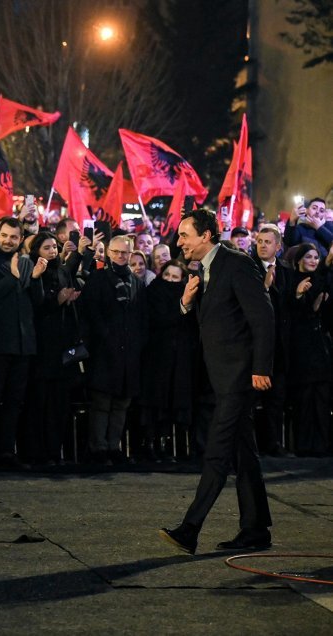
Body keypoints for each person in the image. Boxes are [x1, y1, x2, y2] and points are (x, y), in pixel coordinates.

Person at [160, 209, 275, 555]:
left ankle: (190, 528)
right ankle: (255, 529)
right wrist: (186, 302)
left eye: (184, 235)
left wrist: (261, 367)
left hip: (240, 377)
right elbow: (213, 322)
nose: (179, 242)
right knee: (243, 451)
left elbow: (263, 317)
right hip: (221, 376)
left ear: (206, 235)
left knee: (217, 452)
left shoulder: (236, 264)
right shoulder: (203, 271)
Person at [0, 216, 45, 470]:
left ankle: (6, 452)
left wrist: (34, 279)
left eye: (14, 237)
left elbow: (37, 304)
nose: (8, 241)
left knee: (15, 402)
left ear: (21, 239)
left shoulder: (28, 263)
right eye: (5, 235)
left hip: (23, 345)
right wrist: (13, 277)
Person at [81, 235, 148, 465]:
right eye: (117, 252)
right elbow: (90, 314)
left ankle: (113, 446)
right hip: (103, 352)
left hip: (128, 354)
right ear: (109, 253)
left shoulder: (137, 282)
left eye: (125, 253)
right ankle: (98, 448)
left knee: (121, 404)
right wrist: (105, 338)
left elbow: (141, 317)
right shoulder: (98, 280)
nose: (121, 256)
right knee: (102, 403)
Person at [25, 232, 82, 466]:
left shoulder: (62, 270)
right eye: (46, 247)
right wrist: (55, 301)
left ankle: (55, 451)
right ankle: (38, 452)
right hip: (41, 348)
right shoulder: (35, 272)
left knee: (60, 403)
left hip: (62, 346)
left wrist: (68, 299)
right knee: (41, 403)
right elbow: (35, 305)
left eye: (54, 247)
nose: (52, 251)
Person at [139, 260, 197, 461]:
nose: (170, 281)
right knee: (156, 403)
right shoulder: (152, 293)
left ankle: (170, 448)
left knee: (174, 402)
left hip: (179, 359)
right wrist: (181, 308)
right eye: (167, 276)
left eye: (175, 277)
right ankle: (150, 446)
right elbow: (158, 319)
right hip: (155, 359)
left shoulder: (190, 297)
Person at [251, 225, 293, 457]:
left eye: (268, 242)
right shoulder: (249, 268)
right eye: (260, 241)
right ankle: (253, 446)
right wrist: (264, 288)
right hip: (257, 347)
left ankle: (274, 444)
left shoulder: (286, 270)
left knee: (276, 401)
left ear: (278, 246)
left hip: (280, 348)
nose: (263, 245)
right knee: (252, 400)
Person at [286, 243, 331, 456]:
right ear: (299, 260)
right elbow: (291, 315)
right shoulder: (291, 281)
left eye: (316, 257)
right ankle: (304, 445)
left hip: (320, 348)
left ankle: (322, 444)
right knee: (303, 401)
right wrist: (298, 295)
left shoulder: (322, 281)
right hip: (300, 349)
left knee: (322, 400)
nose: (313, 260)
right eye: (308, 257)